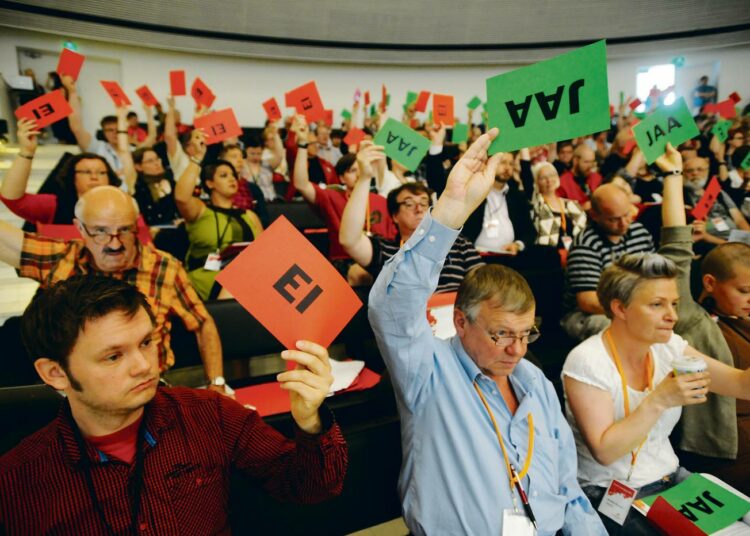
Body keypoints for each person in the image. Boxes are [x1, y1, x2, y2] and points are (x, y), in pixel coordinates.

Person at [369, 129, 606, 535]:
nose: (517, 350)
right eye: (501, 334)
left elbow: (569, 491)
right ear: (461, 321)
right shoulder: (427, 371)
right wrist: (448, 211)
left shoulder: (536, 385)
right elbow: (392, 307)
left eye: (526, 334)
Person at [0, 276, 347, 534]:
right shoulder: (18, 481)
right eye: (113, 356)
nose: (144, 365)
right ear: (55, 373)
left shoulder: (210, 415)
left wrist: (309, 422)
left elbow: (310, 486)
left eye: (146, 342)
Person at [562, 250, 750, 534]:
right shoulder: (588, 360)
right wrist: (661, 398)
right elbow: (605, 451)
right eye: (657, 305)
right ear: (620, 308)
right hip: (609, 491)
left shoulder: (667, 346)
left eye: (674, 304)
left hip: (671, 480)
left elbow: (740, 385)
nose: (672, 316)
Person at [0, 185, 230, 394]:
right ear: (79, 228)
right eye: (100, 232)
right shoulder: (62, 258)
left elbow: (202, 322)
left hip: (147, 386)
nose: (115, 243)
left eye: (125, 230)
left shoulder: (163, 268)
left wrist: (217, 382)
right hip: (79, 393)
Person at [339, 142, 482, 292]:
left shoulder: (457, 244)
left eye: (424, 203)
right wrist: (364, 178)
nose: (419, 208)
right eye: (408, 204)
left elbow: (484, 284)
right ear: (395, 216)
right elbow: (349, 240)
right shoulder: (389, 252)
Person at [290, 115, 395, 265]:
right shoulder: (332, 197)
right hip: (344, 262)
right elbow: (301, 184)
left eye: (361, 168)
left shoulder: (381, 200)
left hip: (378, 262)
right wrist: (302, 145)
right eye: (352, 171)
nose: (359, 174)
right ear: (341, 178)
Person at [175, 134, 263, 301]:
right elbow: (181, 197)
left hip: (248, 283)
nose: (231, 179)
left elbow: (263, 253)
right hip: (205, 283)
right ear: (209, 183)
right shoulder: (201, 210)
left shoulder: (249, 215)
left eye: (233, 175)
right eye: (223, 175)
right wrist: (197, 158)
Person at [562, 184, 655, 341]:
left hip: (634, 305)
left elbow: (654, 275)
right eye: (614, 219)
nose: (624, 223)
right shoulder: (586, 244)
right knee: (619, 329)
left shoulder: (639, 232)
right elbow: (588, 301)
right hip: (589, 314)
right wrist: (633, 311)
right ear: (595, 215)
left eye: (627, 214)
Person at [1, 118, 123, 225]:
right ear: (72, 177)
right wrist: (26, 152)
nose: (94, 177)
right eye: (86, 172)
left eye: (101, 173)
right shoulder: (55, 205)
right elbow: (12, 199)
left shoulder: (122, 205)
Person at [529, 162, 587, 252]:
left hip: (574, 252)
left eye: (552, 175)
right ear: (536, 182)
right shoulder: (536, 206)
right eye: (543, 178)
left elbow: (583, 232)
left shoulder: (572, 205)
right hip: (548, 256)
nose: (549, 180)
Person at [131, 147, 179, 226]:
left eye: (157, 159)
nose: (157, 163)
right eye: (150, 161)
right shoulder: (139, 189)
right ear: (139, 167)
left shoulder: (171, 181)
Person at [557, 145, 602, 209]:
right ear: (575, 161)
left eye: (592, 162)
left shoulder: (597, 178)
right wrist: (581, 208)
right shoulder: (562, 183)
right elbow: (561, 209)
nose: (590, 166)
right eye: (586, 162)